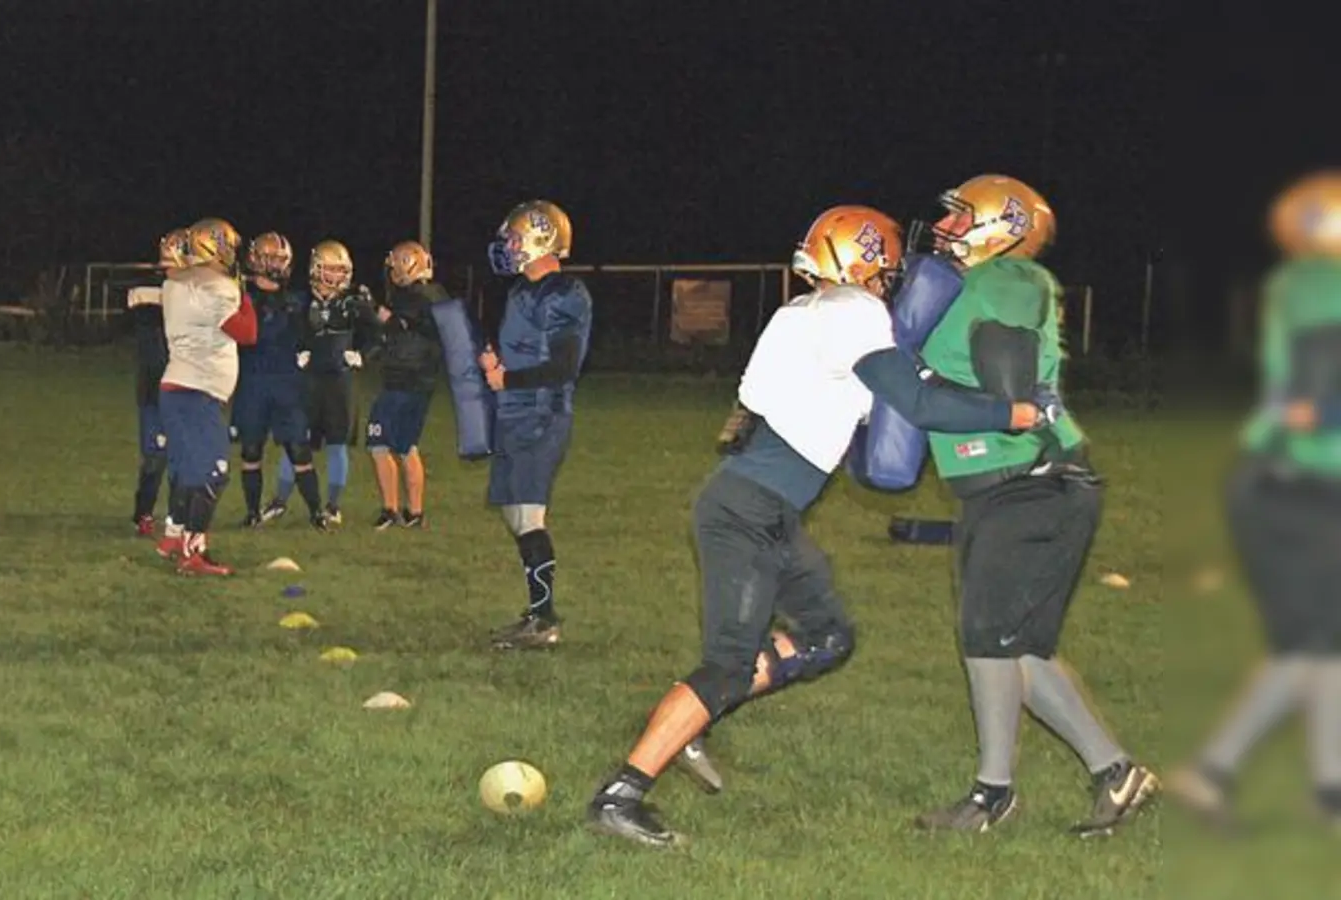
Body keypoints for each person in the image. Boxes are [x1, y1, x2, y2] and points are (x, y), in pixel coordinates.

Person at [585, 204, 1049, 849]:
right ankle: (621, 794)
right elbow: (916, 402)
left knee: (829, 638)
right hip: (748, 511)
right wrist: (1013, 413)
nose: (893, 277)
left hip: (763, 508)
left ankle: (690, 724)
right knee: (726, 664)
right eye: (885, 263)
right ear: (862, 259)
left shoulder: (802, 313)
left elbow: (855, 426)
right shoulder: (850, 312)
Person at [908, 174, 1157, 836]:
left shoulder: (1007, 279)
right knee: (1017, 649)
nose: (949, 227)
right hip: (1019, 487)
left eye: (964, 217)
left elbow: (1007, 380)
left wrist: (924, 384)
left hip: (1031, 484)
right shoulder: (979, 286)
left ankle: (992, 796)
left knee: (988, 638)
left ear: (1006, 226)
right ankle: (1117, 774)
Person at [1166, 170, 1341, 832]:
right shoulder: (1320, 284)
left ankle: (1329, 792)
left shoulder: (1302, 284)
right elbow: (1313, 396)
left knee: (1324, 643)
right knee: (1312, 644)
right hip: (1296, 488)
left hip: (1288, 485)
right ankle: (1212, 770)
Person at [479, 200, 592, 650]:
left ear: (540, 238)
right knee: (513, 513)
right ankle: (537, 611)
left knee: (528, 516)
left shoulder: (565, 293)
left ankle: (544, 620)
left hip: (542, 412)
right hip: (513, 411)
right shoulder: (521, 292)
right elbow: (527, 349)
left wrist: (508, 378)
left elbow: (563, 366)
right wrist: (498, 362)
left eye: (514, 238)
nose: (508, 246)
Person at [154, 217, 257, 575]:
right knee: (213, 473)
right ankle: (193, 552)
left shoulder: (178, 282)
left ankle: (173, 535)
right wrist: (244, 294)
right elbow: (247, 333)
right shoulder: (217, 286)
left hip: (177, 388)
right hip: (196, 392)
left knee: (185, 469)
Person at [231, 231, 329, 531]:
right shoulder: (241, 296)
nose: (278, 265)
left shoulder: (297, 299)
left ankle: (316, 512)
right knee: (251, 450)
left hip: (287, 382)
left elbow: (313, 336)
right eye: (272, 258)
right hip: (253, 380)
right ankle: (252, 512)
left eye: (281, 260)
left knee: (299, 450)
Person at [294, 239, 375, 527]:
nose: (337, 276)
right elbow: (290, 332)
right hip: (309, 379)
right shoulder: (302, 299)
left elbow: (375, 334)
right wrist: (297, 349)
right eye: (330, 269)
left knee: (337, 442)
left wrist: (361, 354)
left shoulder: (354, 300)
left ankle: (333, 504)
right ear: (316, 269)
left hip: (339, 380)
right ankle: (279, 501)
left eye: (341, 270)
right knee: (298, 441)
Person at [366, 240, 446, 529]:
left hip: (406, 381)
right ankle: (411, 512)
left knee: (381, 442)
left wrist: (381, 314)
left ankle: (395, 509)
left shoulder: (423, 297)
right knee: (401, 445)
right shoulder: (427, 295)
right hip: (413, 380)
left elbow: (403, 325)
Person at [128, 227, 187, 539]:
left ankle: (177, 517)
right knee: (155, 457)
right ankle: (144, 513)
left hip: (187, 387)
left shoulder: (197, 290)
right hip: (155, 387)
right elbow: (148, 315)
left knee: (182, 457)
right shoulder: (149, 290)